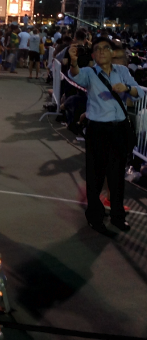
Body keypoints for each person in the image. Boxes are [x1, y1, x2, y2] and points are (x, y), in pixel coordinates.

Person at [68, 38, 144, 234]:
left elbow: (140, 94)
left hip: (119, 129)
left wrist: (126, 88)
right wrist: (74, 61)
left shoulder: (123, 72)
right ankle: (95, 217)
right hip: (98, 130)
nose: (101, 52)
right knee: (96, 176)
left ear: (112, 53)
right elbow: (75, 74)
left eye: (105, 48)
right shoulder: (90, 73)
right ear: (93, 55)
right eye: (97, 49)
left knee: (117, 175)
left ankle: (118, 216)